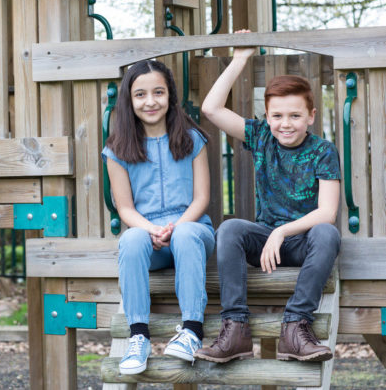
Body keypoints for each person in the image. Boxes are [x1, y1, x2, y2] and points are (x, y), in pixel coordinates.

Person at [194, 36, 341, 364]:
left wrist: (282, 231)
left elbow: (327, 212)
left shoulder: (322, 151)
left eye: (294, 116)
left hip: (304, 245)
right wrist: (239, 60)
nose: (285, 124)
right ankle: (235, 329)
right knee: (230, 229)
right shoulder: (261, 136)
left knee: (327, 233)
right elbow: (210, 108)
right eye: (277, 116)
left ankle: (295, 327)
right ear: (267, 116)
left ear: (311, 116)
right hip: (265, 248)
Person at [102, 59, 215, 375]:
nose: (150, 101)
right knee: (131, 238)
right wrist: (152, 229)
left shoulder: (193, 139)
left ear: (170, 95)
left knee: (186, 234)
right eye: (140, 94)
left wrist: (176, 227)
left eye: (158, 92)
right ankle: (138, 336)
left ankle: (192, 329)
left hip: (192, 230)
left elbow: (202, 199)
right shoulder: (117, 150)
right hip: (147, 233)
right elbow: (125, 209)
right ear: (129, 100)